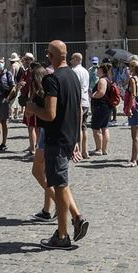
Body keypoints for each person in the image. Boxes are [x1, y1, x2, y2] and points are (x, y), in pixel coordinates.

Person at [26, 40, 87, 249]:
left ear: (51, 56)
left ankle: (62, 236)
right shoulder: (74, 75)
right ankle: (74, 220)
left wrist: (33, 107)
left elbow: (50, 114)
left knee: (59, 187)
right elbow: (78, 110)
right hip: (69, 137)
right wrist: (77, 139)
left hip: (56, 138)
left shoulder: (52, 79)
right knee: (62, 183)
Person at [88, 60, 114, 158]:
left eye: (98, 70)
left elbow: (101, 93)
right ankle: (104, 149)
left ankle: (99, 149)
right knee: (104, 128)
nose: (96, 72)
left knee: (96, 128)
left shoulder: (102, 80)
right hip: (106, 107)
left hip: (100, 106)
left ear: (102, 70)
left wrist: (92, 95)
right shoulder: (108, 79)